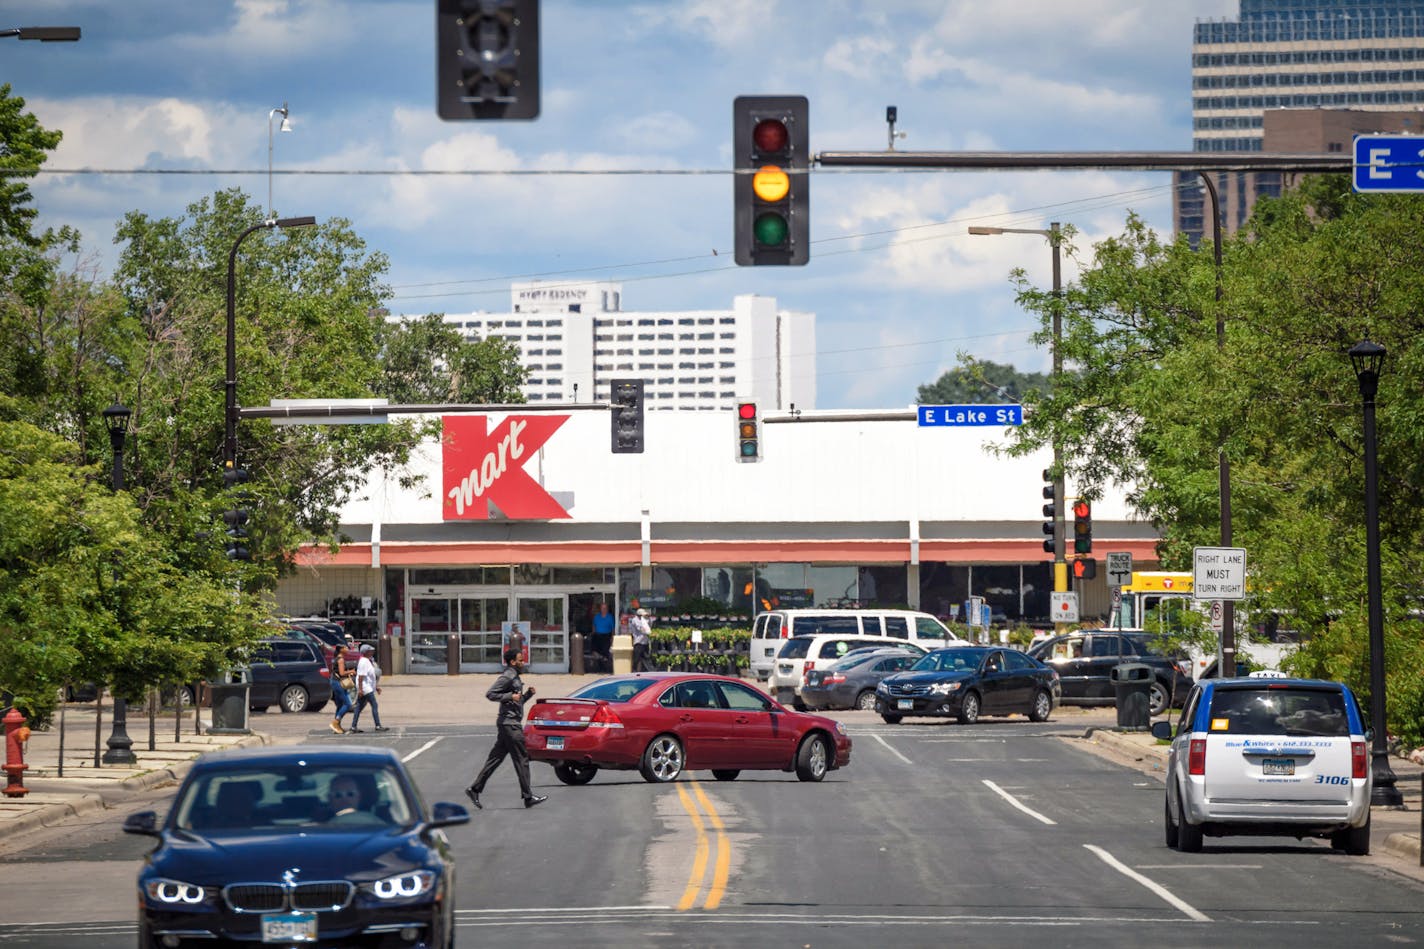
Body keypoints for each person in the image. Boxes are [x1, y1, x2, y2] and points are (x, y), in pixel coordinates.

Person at [466, 645, 547, 810]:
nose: (523, 662)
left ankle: (474, 789)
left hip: (507, 723)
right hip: (510, 725)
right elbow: (491, 694)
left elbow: (517, 701)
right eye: (520, 660)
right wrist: (510, 695)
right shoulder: (508, 676)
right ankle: (528, 797)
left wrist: (527, 695)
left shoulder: (515, 676)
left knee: (495, 759)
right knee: (522, 759)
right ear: (512, 662)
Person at [349, 644, 388, 733]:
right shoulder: (363, 662)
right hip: (365, 688)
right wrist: (360, 690)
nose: (372, 652)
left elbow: (370, 678)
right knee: (374, 705)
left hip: (367, 687)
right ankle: (377, 725)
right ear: (366, 652)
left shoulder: (367, 661)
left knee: (359, 707)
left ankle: (353, 726)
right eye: (370, 650)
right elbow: (361, 677)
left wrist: (376, 687)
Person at [329, 634, 358, 734]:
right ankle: (335, 722)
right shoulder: (340, 659)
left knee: (340, 704)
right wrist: (351, 672)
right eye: (345, 647)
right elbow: (341, 673)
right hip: (338, 683)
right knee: (348, 704)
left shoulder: (337, 658)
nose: (347, 648)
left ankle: (337, 727)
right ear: (341, 649)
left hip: (334, 681)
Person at [591, 601, 615, 671]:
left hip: (606, 636)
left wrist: (612, 638)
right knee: (595, 651)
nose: (603, 610)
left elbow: (613, 629)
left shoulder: (610, 617)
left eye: (605, 608)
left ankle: (604, 668)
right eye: (602, 608)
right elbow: (594, 626)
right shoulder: (596, 617)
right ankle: (599, 667)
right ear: (600, 609)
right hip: (597, 635)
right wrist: (593, 634)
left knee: (605, 653)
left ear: (607, 609)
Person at [629, 607, 652, 672]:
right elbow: (642, 629)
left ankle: (644, 671)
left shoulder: (645, 620)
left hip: (645, 642)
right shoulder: (635, 620)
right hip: (638, 642)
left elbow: (650, 626)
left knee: (646, 658)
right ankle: (634, 671)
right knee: (637, 659)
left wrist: (648, 618)